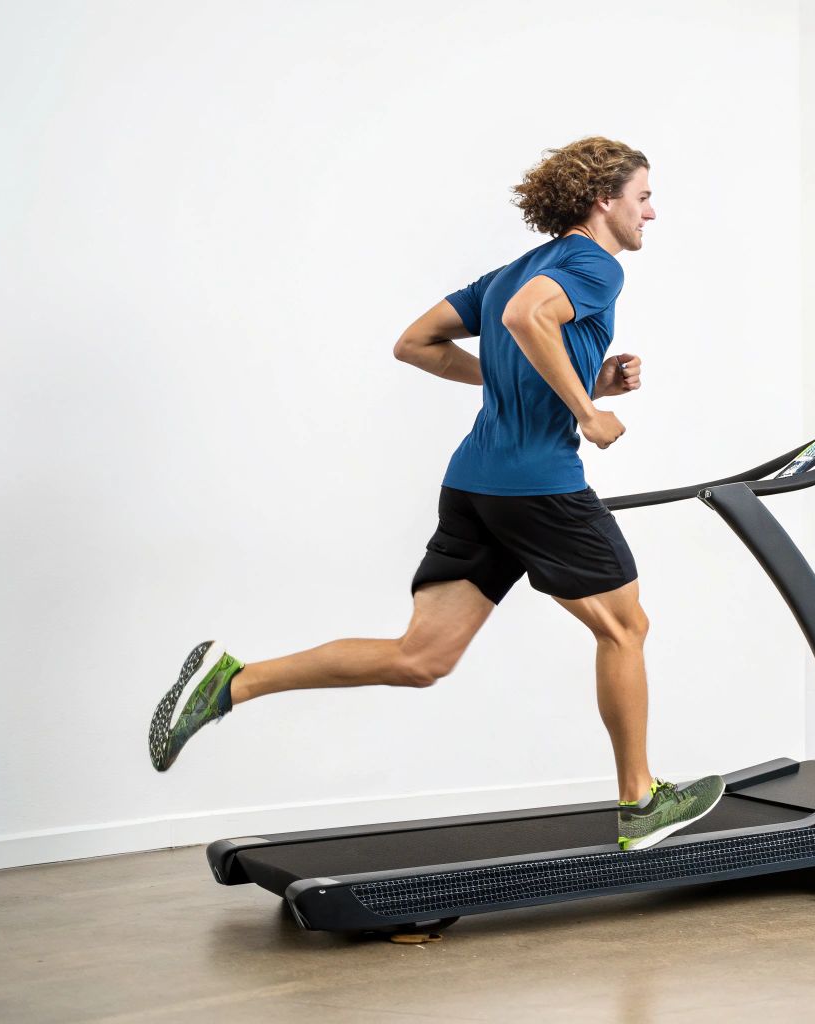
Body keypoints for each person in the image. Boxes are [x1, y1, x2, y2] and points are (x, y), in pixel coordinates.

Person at [147, 137, 724, 852]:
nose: (652, 212)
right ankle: (641, 801)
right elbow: (525, 323)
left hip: (474, 485)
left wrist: (570, 381)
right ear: (603, 201)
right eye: (643, 197)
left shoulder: (514, 270)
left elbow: (417, 342)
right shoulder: (592, 264)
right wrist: (587, 412)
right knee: (625, 629)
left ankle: (230, 683)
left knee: (421, 656)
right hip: (540, 487)